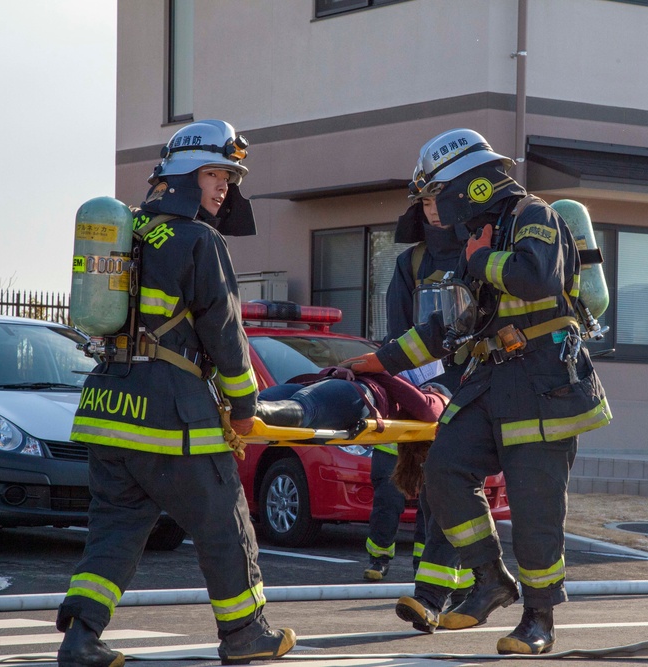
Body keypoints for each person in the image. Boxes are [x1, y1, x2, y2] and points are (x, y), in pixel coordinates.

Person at [342, 128, 611, 655]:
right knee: (441, 470)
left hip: (543, 389)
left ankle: (539, 621)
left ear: (469, 183)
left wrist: (479, 259)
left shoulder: (535, 216)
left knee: (536, 514)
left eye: (434, 193)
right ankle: (490, 577)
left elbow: (536, 278)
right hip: (490, 383)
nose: (431, 207)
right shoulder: (479, 235)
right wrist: (383, 362)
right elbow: (454, 326)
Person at [57, 120, 295, 667]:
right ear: (188, 174)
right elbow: (226, 334)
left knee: (113, 531)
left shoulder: (126, 229)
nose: (225, 188)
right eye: (216, 174)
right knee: (225, 521)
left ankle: (81, 636)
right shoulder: (199, 240)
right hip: (171, 415)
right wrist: (243, 408)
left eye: (230, 177)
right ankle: (245, 635)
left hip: (107, 409)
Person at [361, 192, 467, 583]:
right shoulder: (412, 263)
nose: (435, 211)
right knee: (390, 491)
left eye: (441, 201)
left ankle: (433, 570)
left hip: (464, 388)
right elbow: (396, 333)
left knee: (440, 490)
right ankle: (379, 557)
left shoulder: (477, 256)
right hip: (416, 390)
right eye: (425, 204)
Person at [255, 368, 450, 429]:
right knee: (262, 400)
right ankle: (235, 408)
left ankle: (243, 410)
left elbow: (428, 410)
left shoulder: (438, 400)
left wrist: (380, 367)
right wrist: (337, 370)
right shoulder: (402, 388)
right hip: (338, 384)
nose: (427, 387)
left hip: (363, 393)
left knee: (305, 408)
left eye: (430, 388)